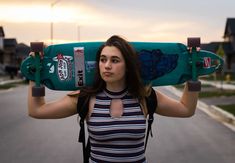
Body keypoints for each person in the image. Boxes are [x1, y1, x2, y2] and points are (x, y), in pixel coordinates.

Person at [28, 35, 199, 163]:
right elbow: (37, 110)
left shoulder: (145, 96)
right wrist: (34, 73)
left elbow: (186, 109)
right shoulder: (85, 98)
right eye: (103, 60)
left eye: (115, 60)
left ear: (128, 65)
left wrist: (193, 74)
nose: (107, 65)